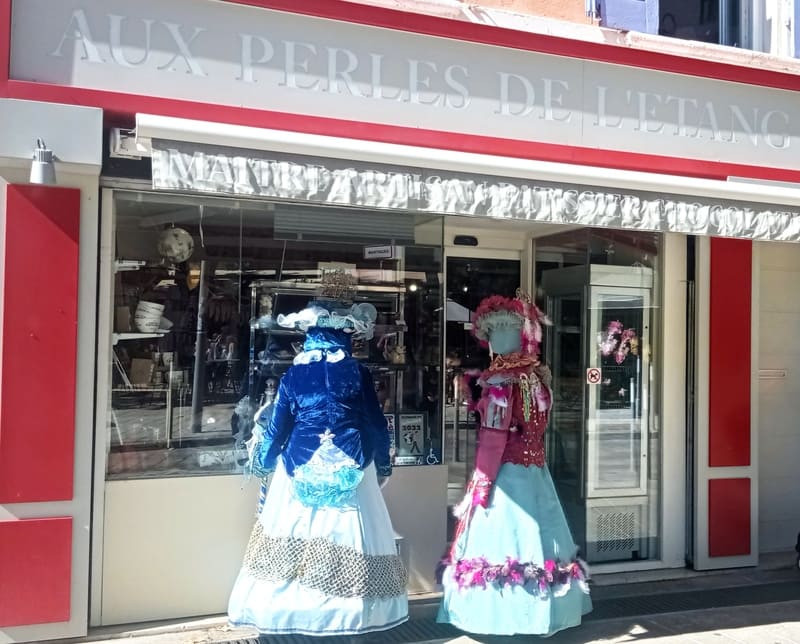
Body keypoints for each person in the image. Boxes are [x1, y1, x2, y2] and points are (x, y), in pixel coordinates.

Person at [228, 301, 408, 637]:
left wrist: (263, 464)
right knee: (349, 536)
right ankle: (347, 614)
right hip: (353, 465)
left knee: (296, 535)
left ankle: (297, 613)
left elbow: (276, 429)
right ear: (344, 337)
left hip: (299, 465)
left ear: (309, 337)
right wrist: (384, 465)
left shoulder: (295, 375)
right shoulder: (356, 372)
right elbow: (375, 425)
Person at [437, 291, 591, 636]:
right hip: (536, 470)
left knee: (507, 540)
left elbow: (494, 440)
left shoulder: (500, 381)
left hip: (505, 475)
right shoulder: (536, 378)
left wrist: (480, 482)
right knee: (542, 536)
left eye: (491, 337)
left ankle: (507, 614)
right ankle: (545, 611)